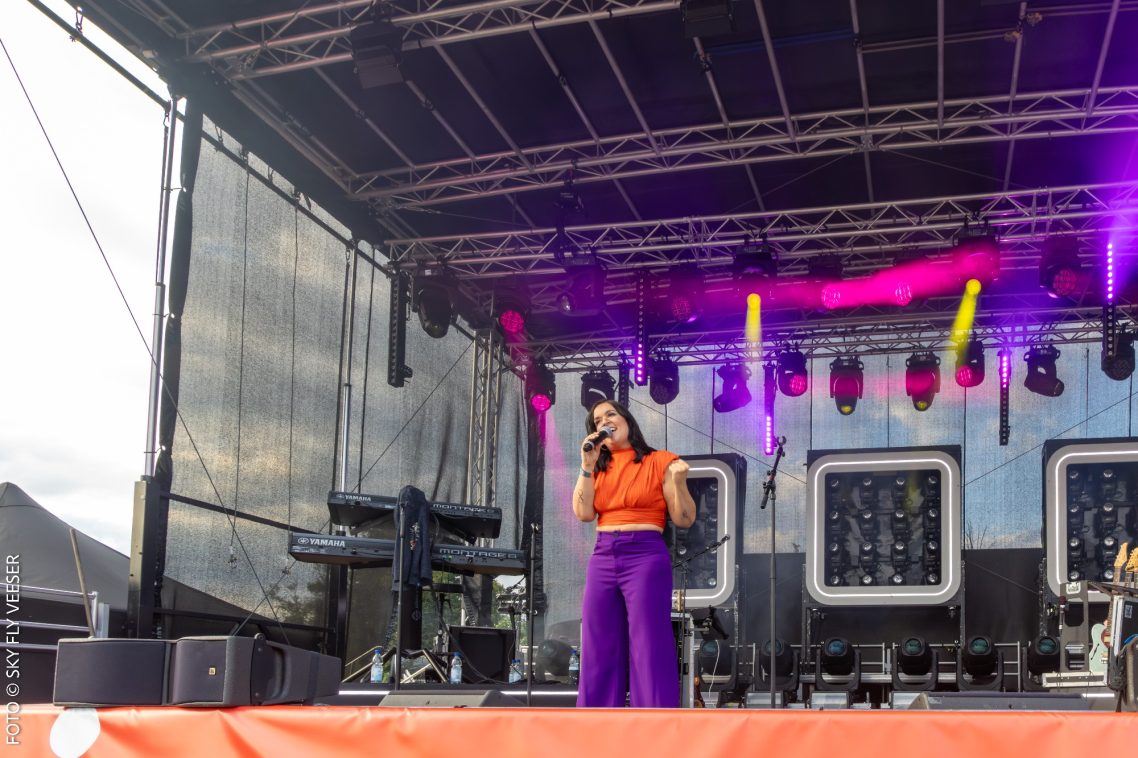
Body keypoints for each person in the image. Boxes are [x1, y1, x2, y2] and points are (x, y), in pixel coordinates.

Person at [572, 399, 696, 707]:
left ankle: (654, 720)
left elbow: (684, 519)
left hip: (644, 553)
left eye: (610, 414)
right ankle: (596, 723)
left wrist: (679, 482)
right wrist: (586, 467)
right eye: (597, 421)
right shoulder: (596, 467)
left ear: (627, 420)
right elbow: (584, 514)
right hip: (603, 553)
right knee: (598, 640)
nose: (604, 421)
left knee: (648, 640)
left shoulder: (660, 460)